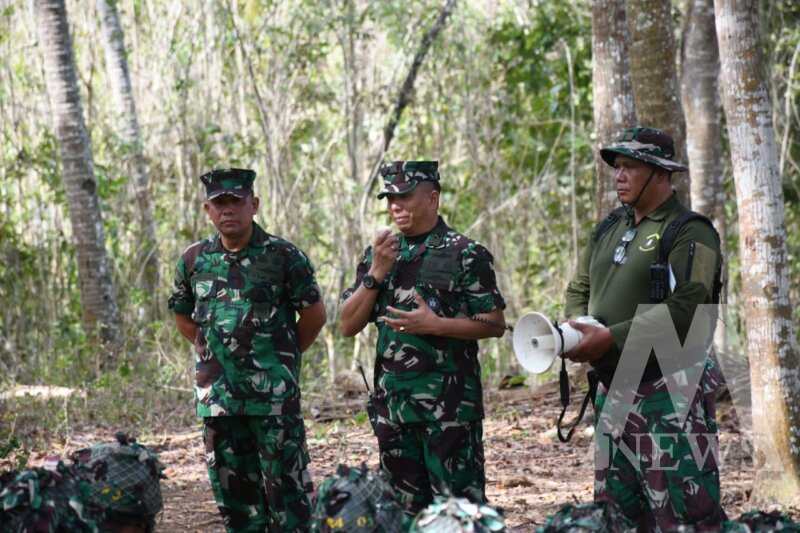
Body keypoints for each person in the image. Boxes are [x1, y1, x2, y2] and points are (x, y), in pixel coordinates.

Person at [563, 127, 726, 530]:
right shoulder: (609, 228)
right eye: (617, 167)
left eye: (630, 167)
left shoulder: (692, 232)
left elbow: (690, 306)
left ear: (660, 173)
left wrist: (611, 337)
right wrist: (576, 329)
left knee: (685, 516)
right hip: (612, 391)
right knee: (617, 514)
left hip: (669, 392)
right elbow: (579, 286)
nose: (619, 176)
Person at [339, 160, 506, 515]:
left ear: (432, 198)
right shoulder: (379, 254)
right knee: (402, 514)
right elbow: (347, 325)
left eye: (405, 196)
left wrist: (436, 325)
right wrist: (376, 272)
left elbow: (493, 324)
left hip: (449, 412)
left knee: (459, 513)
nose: (395, 206)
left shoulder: (465, 253)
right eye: (390, 198)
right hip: (394, 411)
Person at [168, 168, 326, 532]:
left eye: (236, 202)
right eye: (219, 203)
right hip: (219, 401)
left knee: (289, 500)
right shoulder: (194, 260)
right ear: (208, 210)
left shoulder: (283, 256)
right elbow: (182, 316)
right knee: (236, 503)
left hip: (273, 400)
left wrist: (282, 359)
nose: (228, 210)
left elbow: (314, 316)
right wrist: (214, 355)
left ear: (253, 205)